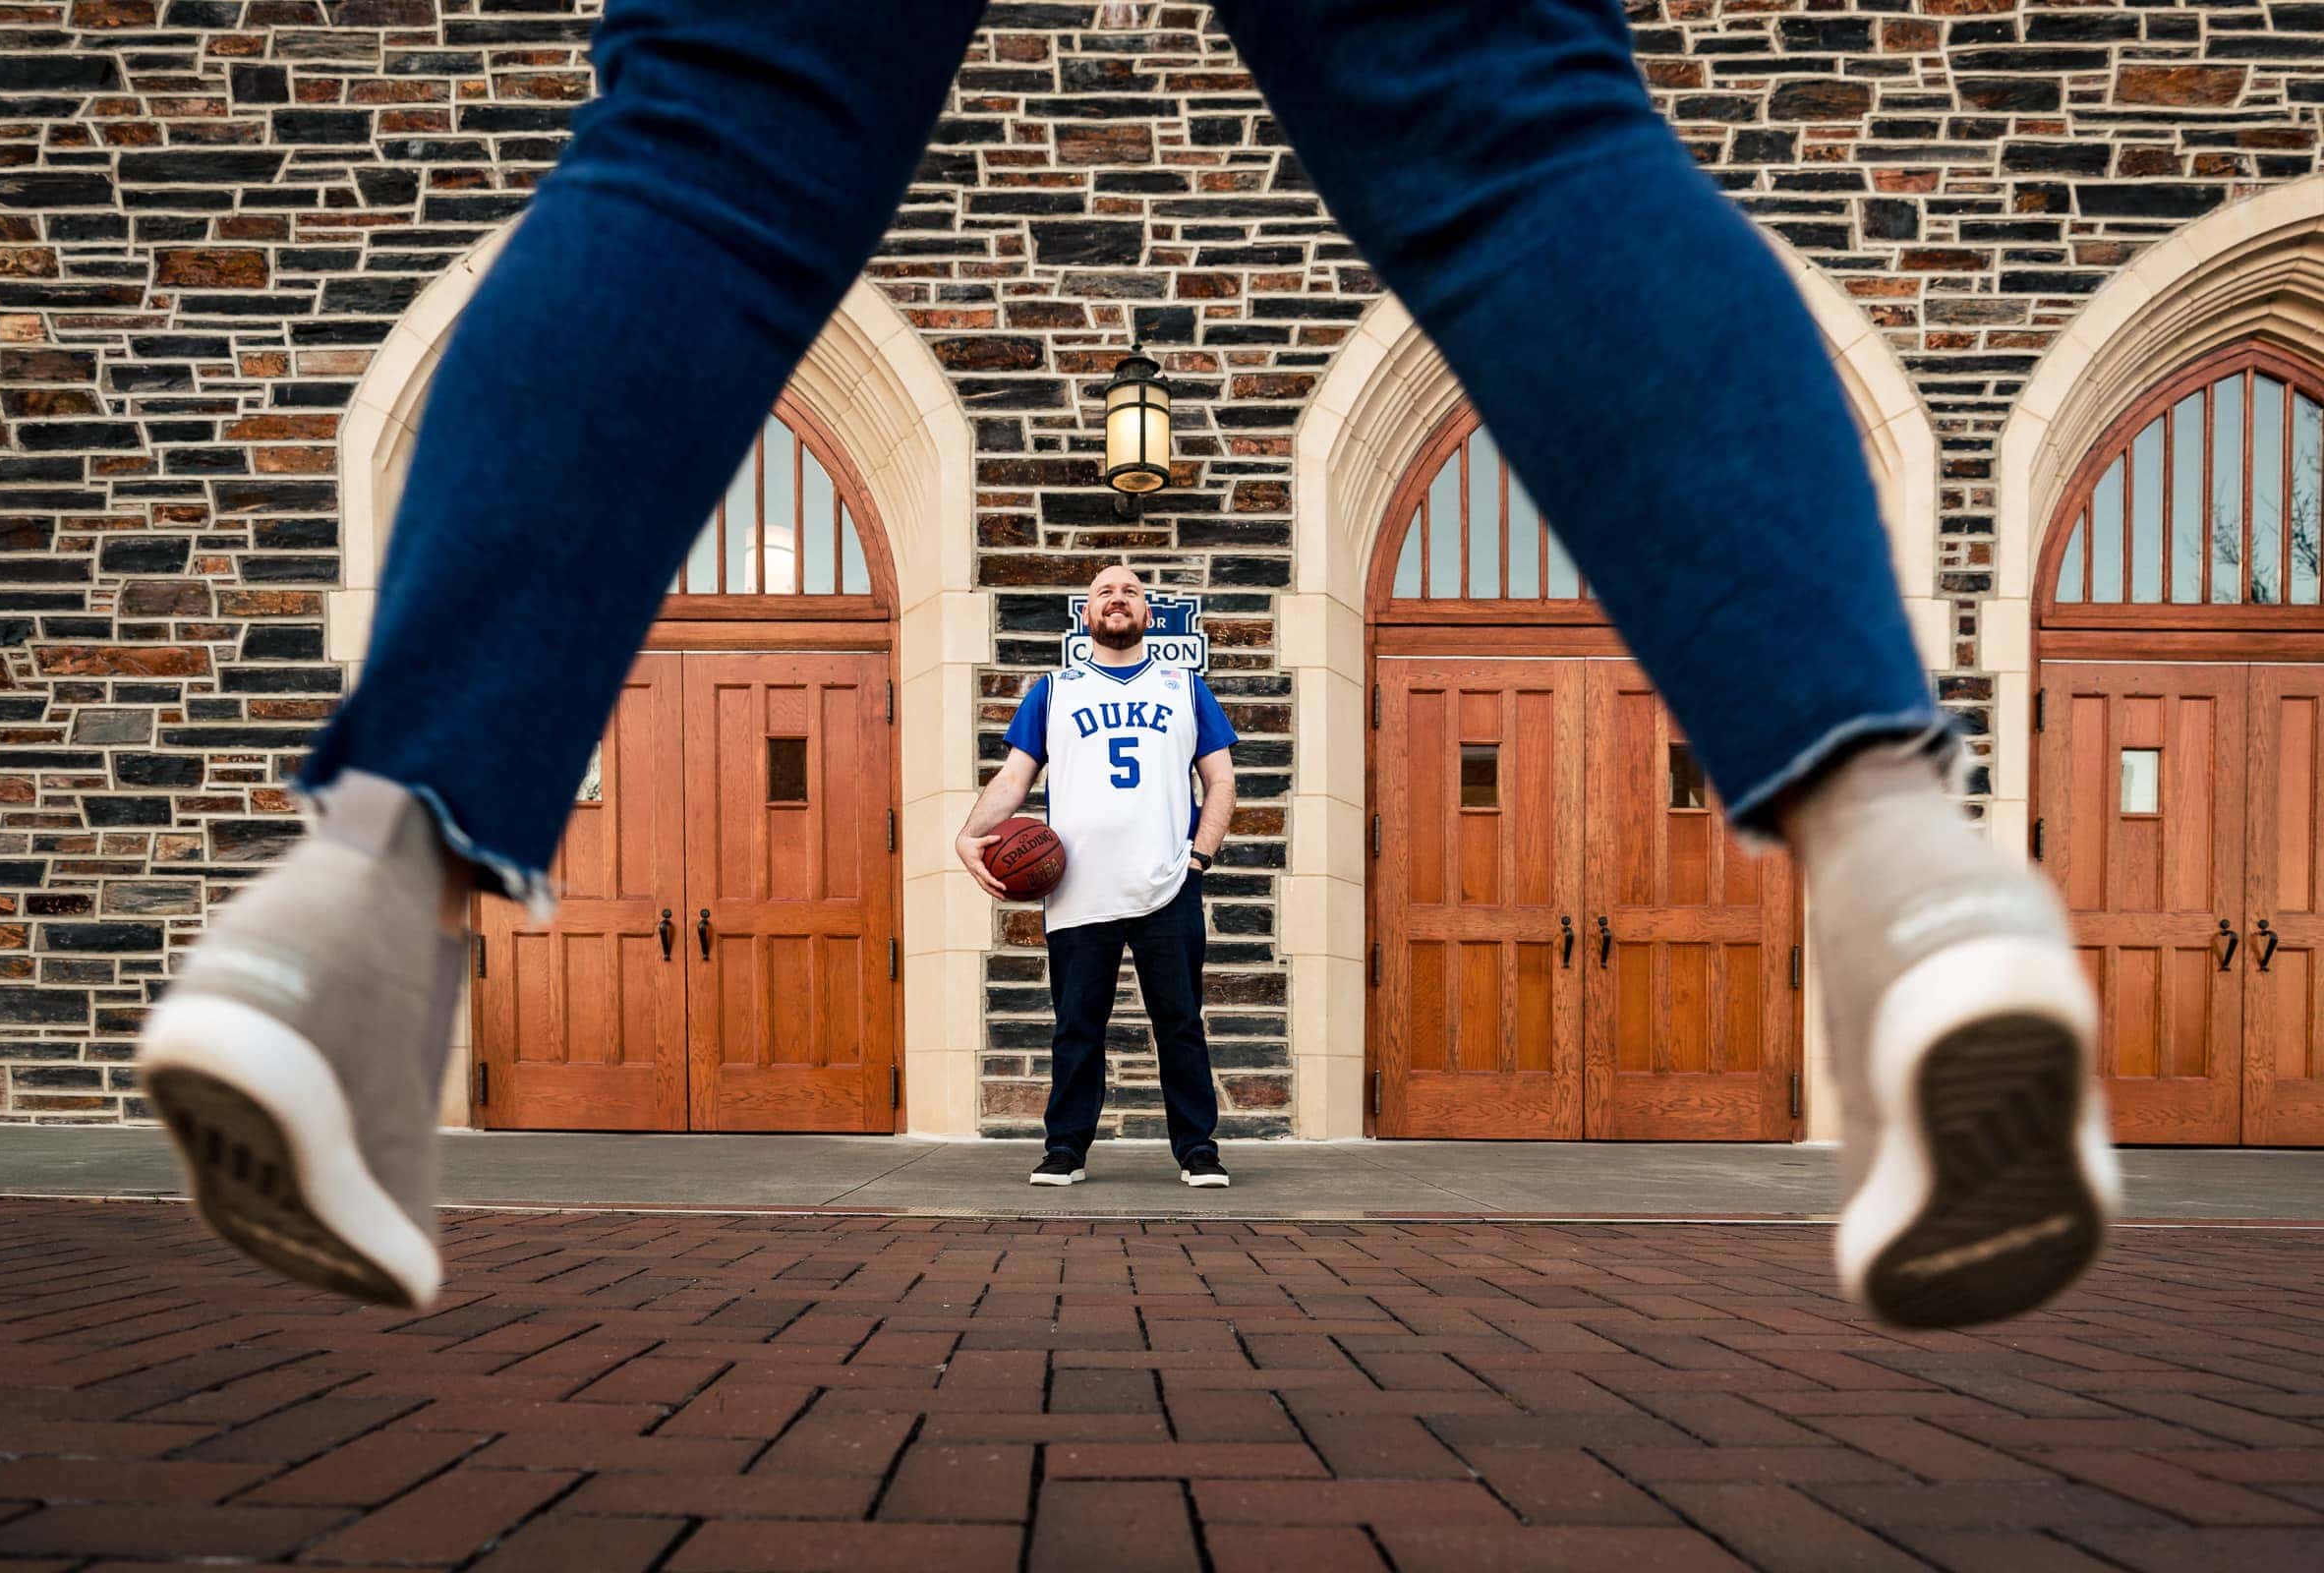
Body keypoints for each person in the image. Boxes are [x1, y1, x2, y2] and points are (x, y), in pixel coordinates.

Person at [135, 0, 2116, 1328]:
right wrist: (990, 823)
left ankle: (356, 907)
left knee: (706, 146)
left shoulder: (1174, 664)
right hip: (1084, 888)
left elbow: (1221, 760)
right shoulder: (1056, 670)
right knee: (1520, 129)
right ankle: (1906, 871)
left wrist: (1215, 823)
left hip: (1157, 880)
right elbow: (1007, 765)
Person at [957, 565, 1239, 1189]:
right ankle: (1065, 1149)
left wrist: (1200, 858)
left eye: (1131, 591)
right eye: (1104, 592)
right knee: (1077, 1027)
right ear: (1085, 614)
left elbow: (1221, 781)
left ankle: (1198, 1150)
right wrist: (968, 834)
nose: (1118, 598)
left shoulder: (1186, 686)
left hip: (1167, 883)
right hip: (1079, 888)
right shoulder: (1053, 691)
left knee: (1181, 1024)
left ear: (1148, 612)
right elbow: (1014, 778)